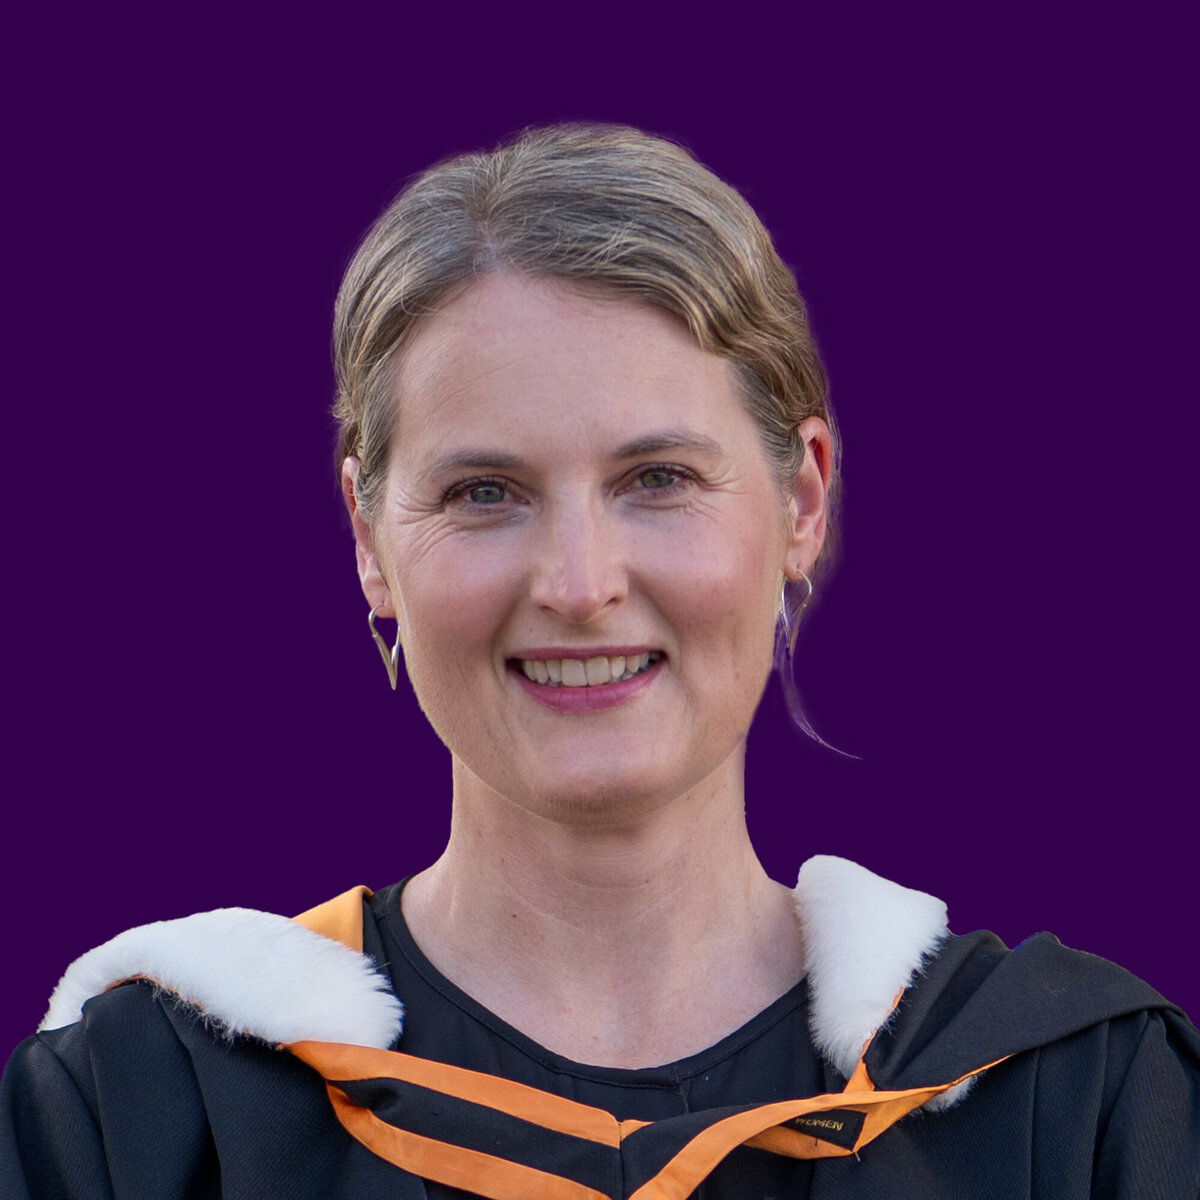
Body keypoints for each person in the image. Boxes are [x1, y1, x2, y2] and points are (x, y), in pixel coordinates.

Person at [2, 124, 1197, 1200]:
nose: (578, 586)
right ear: (369, 541)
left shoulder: (1082, 1101)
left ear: (802, 501)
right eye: (484, 492)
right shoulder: (136, 1117)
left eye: (657, 480)